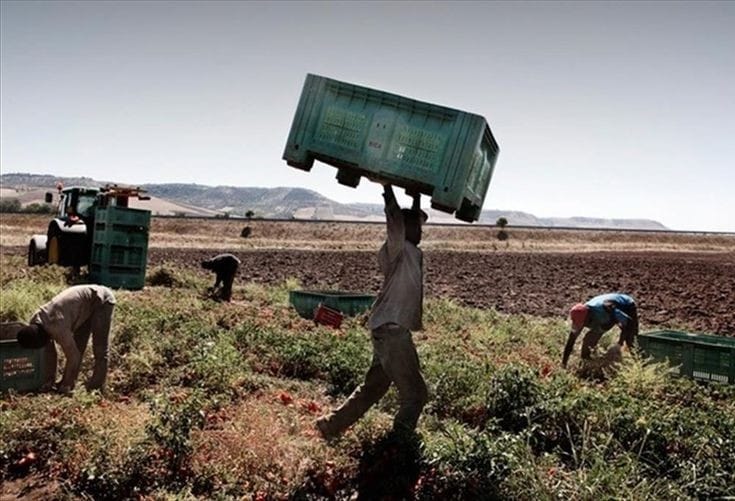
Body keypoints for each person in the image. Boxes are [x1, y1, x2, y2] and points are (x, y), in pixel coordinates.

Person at [316, 184, 429, 440]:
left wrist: (417, 198)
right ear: (405, 227)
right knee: (416, 394)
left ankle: (330, 425)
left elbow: (405, 220)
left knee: (374, 387)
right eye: (418, 226)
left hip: (387, 329)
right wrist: (388, 189)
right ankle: (397, 445)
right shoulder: (398, 248)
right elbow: (395, 220)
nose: (421, 231)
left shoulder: (410, 250)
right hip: (392, 332)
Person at [16, 285, 116, 393]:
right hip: (81, 307)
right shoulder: (36, 320)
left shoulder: (58, 327)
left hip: (100, 300)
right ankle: (69, 382)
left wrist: (66, 385)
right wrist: (49, 381)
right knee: (78, 346)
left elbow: (73, 357)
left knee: (100, 348)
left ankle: (96, 387)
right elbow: (50, 352)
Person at [562, 293, 638, 368]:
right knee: (589, 339)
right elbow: (571, 341)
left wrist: (619, 344)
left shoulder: (605, 308)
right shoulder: (579, 315)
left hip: (626, 306)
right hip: (604, 318)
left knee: (631, 339)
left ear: (588, 317)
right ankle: (586, 363)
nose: (581, 326)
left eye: (583, 323)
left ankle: (638, 363)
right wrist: (564, 364)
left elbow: (628, 323)